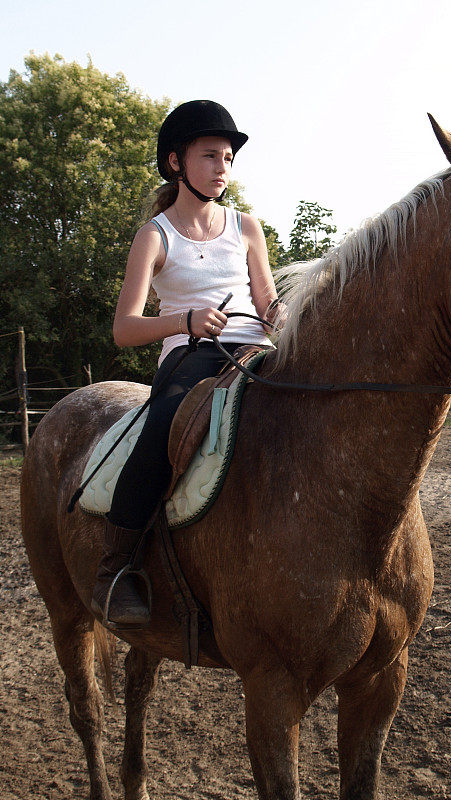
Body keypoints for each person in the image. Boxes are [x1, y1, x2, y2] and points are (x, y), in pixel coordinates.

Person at [91, 100, 286, 629]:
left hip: (255, 348)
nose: (223, 167)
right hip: (192, 355)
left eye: (228, 157)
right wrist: (185, 321)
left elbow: (266, 299)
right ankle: (116, 567)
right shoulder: (155, 235)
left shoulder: (247, 226)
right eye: (210, 156)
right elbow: (124, 328)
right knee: (161, 429)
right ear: (176, 163)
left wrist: (283, 314)